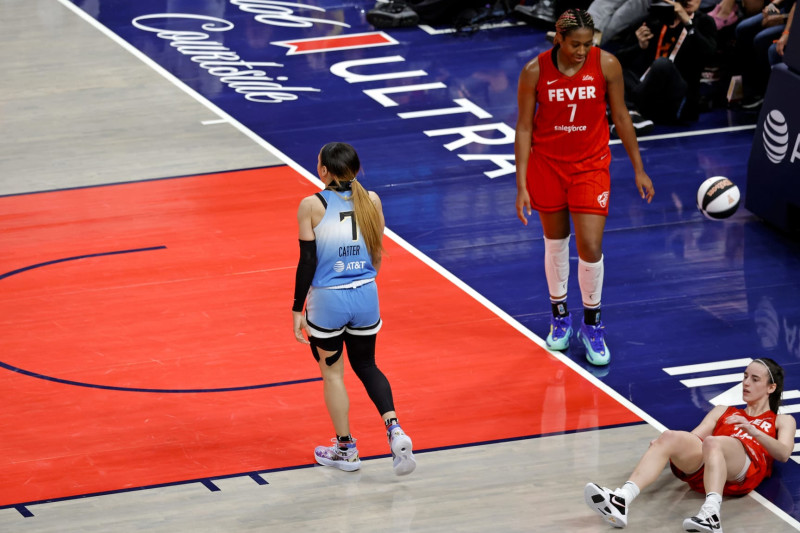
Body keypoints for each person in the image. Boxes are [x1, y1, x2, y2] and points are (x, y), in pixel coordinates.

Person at [515, 9, 655, 366]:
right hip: (547, 166)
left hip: (591, 167)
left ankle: (592, 324)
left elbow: (620, 116)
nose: (581, 51)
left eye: (587, 44)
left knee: (590, 245)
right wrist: (521, 185)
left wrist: (639, 168)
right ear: (558, 39)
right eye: (575, 44)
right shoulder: (534, 71)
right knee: (555, 242)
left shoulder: (607, 65)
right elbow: (525, 128)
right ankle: (560, 318)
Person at [292, 142, 416, 476]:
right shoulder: (372, 200)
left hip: (328, 301)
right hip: (366, 295)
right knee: (367, 364)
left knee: (333, 373)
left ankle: (346, 449)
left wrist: (296, 308)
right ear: (357, 169)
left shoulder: (311, 205)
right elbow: (376, 253)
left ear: (323, 170)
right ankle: (395, 429)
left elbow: (307, 262)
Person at [585, 358, 796, 532]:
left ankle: (712, 514)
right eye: (745, 376)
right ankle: (621, 499)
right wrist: (668, 447)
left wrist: (753, 431)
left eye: (754, 379)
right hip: (708, 470)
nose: (746, 383)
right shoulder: (724, 410)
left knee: (714, 442)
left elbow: (784, 453)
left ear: (771, 387)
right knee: (669, 437)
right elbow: (694, 438)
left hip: (744, 473)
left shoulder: (781, 420)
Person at [616, 0, 717, 124]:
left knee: (662, 64)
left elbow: (709, 55)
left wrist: (688, 23)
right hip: (649, 93)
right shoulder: (654, 20)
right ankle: (632, 114)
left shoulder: (704, 22)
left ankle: (628, 111)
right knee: (613, 70)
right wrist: (639, 46)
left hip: (680, 98)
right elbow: (620, 59)